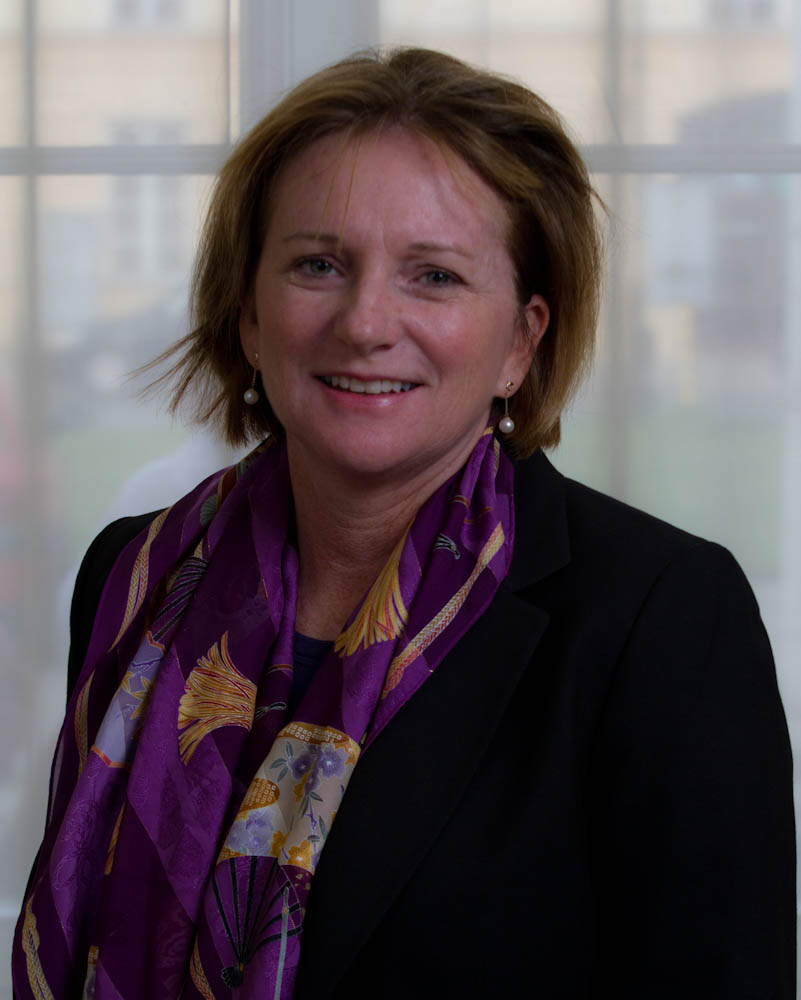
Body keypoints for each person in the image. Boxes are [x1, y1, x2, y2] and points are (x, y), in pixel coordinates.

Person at [13, 47, 795, 1000]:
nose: (364, 321)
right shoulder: (131, 575)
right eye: (317, 263)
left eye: (433, 276)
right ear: (249, 316)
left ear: (519, 340)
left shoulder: (657, 618)